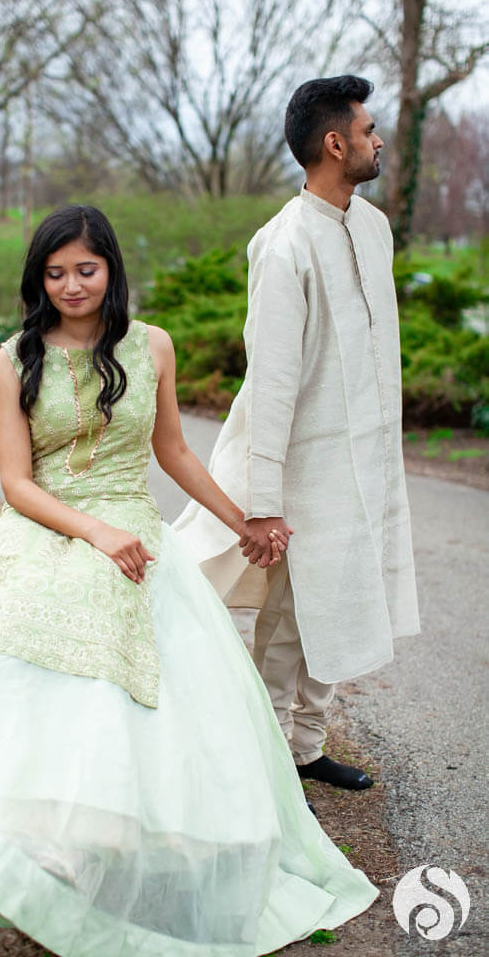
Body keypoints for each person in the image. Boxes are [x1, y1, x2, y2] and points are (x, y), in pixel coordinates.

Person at [0, 205, 378, 956]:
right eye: (54, 273)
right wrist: (93, 532)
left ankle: (111, 837)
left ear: (111, 269)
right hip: (47, 522)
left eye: (85, 269)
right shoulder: (15, 356)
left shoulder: (151, 346)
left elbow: (176, 452)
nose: (70, 285)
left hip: (134, 524)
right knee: (25, 634)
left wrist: (244, 519)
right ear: (38, 278)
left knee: (134, 631)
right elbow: (16, 483)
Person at [175, 76, 420, 792]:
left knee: (344, 603)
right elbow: (273, 381)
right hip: (304, 470)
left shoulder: (371, 228)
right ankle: (270, 758)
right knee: (287, 620)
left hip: (368, 459)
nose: (378, 141)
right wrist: (265, 499)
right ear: (334, 142)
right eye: (369, 130)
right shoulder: (281, 246)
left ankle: (308, 747)